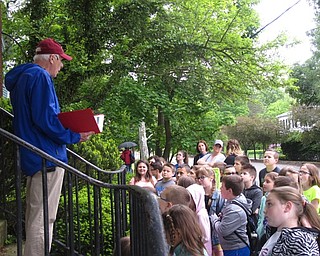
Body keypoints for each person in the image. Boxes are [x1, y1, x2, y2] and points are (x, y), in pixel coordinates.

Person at [4, 38, 94, 255]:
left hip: (34, 156)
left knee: (36, 216)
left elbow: (38, 117)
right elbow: (46, 119)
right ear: (52, 58)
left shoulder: (24, 77)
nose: (61, 66)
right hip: (47, 157)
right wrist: (74, 135)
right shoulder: (41, 77)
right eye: (61, 61)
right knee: (44, 219)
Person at [259, 186, 320, 255]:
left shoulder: (299, 240)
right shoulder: (275, 233)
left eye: (269, 204)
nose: (264, 210)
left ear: (287, 207)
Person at [210, 175, 252, 256]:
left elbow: (222, 230)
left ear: (229, 191)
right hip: (231, 248)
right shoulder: (232, 201)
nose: (220, 189)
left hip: (236, 249)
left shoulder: (234, 210)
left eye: (222, 187)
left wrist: (215, 219)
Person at [186, 184, 212, 256]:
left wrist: (193, 240)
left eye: (190, 199)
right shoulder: (194, 212)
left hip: (201, 248)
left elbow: (206, 236)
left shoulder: (200, 214)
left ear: (196, 198)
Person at [256, 172, 278, 250]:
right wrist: (258, 228)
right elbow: (261, 216)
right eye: (264, 181)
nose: (264, 183)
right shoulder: (263, 198)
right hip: (261, 232)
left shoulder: (275, 200)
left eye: (268, 182)